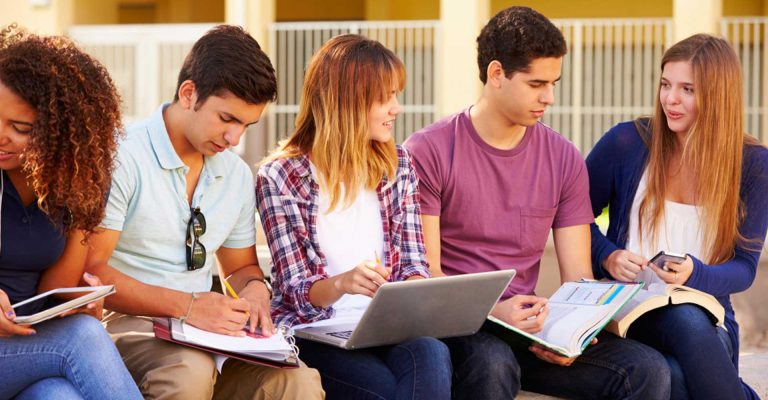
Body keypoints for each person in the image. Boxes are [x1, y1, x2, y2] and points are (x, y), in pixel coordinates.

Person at [403, 6, 670, 400]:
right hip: (458, 327)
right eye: (536, 84)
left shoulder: (562, 158)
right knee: (492, 363)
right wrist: (494, 312)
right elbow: (426, 275)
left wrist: (574, 332)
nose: (549, 97)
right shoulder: (429, 150)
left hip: (529, 329)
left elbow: (578, 278)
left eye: (554, 83)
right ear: (497, 74)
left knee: (646, 370)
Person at [83, 25, 324, 400]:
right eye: (227, 119)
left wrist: (255, 292)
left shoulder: (236, 174)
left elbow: (241, 269)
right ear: (188, 94)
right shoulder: (121, 156)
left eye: (246, 125)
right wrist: (188, 306)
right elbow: (92, 271)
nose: (235, 138)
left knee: (297, 383)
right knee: (188, 373)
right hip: (126, 323)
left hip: (206, 331)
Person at [256, 34, 451, 400]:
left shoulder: (398, 165)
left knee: (432, 353)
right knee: (383, 389)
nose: (396, 108)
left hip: (387, 326)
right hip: (317, 331)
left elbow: (413, 264)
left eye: (396, 95)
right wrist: (343, 283)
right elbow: (296, 291)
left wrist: (413, 293)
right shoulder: (280, 177)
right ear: (347, 101)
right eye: (385, 97)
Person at [586, 34, 768, 400]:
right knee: (681, 332)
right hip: (626, 311)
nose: (670, 99)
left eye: (688, 89)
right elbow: (571, 218)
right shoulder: (627, 143)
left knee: (675, 365)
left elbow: (745, 268)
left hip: (707, 323)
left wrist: (693, 274)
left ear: (718, 96)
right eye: (665, 84)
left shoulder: (753, 164)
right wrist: (607, 254)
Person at [0, 25, 141, 399]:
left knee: (59, 396)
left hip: (24, 346)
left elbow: (52, 290)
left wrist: (80, 301)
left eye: (20, 127)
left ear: (59, 132)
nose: (1, 135)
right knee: (83, 337)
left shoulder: (78, 182)